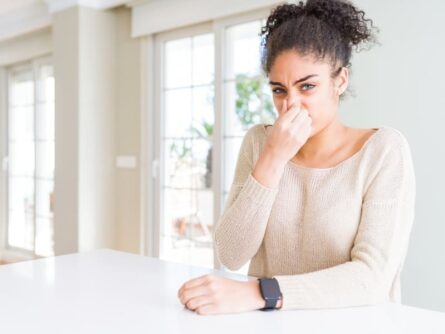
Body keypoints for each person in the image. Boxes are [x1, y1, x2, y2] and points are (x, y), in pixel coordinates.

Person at [178, 0, 415, 315]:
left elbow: (372, 278)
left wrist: (261, 292)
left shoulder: (383, 150)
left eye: (307, 87)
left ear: (340, 80)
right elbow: (232, 254)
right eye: (279, 90)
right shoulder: (259, 142)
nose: (291, 106)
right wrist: (273, 157)